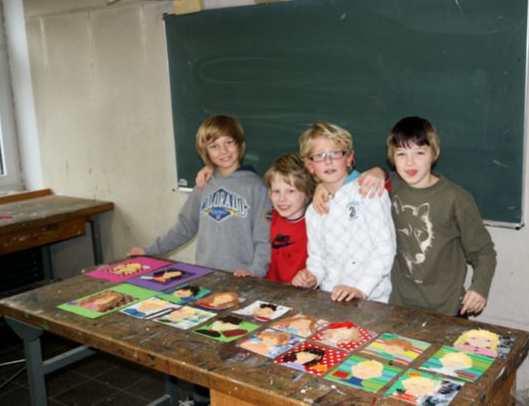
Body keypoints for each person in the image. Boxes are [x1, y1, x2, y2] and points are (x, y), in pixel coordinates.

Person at [314, 117, 496, 317]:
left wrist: (479, 288)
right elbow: (348, 182)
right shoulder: (387, 187)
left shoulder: (456, 198)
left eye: (419, 152)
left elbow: (483, 251)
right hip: (398, 305)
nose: (410, 162)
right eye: (401, 154)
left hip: (446, 308)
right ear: (392, 157)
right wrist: (323, 186)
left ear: (435, 153)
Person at [127, 115, 271, 278]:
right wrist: (149, 250)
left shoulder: (257, 188)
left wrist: (255, 272)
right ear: (206, 151)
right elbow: (184, 227)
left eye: (228, 142)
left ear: (239, 143)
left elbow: (264, 239)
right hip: (205, 274)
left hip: (242, 277)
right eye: (214, 146)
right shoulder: (204, 184)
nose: (223, 151)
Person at [291, 123, 396, 303]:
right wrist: (311, 276)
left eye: (335, 153)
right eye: (319, 156)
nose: (328, 161)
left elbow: (384, 250)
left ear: (349, 158)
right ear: (309, 165)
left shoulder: (369, 193)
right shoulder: (314, 210)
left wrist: (360, 289)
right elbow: (317, 259)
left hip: (372, 300)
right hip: (331, 300)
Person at [197, 152, 315, 283]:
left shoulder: (315, 224)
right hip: (268, 289)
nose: (282, 199)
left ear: (307, 191)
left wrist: (310, 279)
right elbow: (261, 250)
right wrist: (251, 272)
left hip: (301, 291)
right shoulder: (267, 218)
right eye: (276, 191)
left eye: (290, 191)